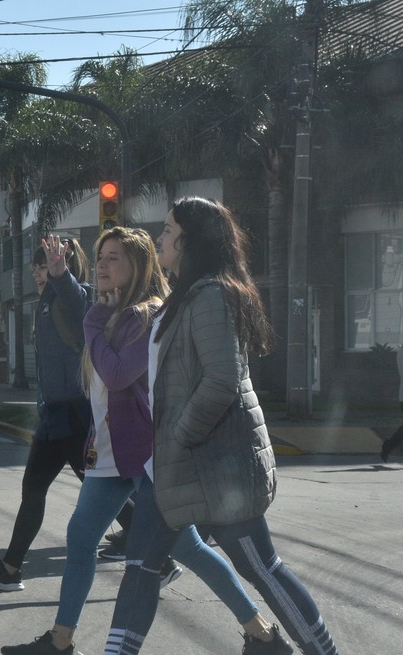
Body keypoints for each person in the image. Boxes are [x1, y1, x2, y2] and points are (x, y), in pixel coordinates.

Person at [2, 227, 281, 655]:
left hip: (148, 455)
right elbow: (81, 311)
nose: (102, 264)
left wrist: (93, 320)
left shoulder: (150, 315)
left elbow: (116, 374)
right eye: (100, 256)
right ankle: (60, 641)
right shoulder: (107, 310)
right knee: (81, 538)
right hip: (111, 452)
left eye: (113, 257)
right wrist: (60, 276)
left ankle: (261, 633)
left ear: (138, 265)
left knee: (189, 548)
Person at [101, 197, 339, 655]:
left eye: (168, 230)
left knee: (261, 567)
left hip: (215, 467)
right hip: (169, 467)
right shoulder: (184, 296)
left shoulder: (210, 295)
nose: (160, 238)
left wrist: (179, 435)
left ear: (189, 241)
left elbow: (222, 380)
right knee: (140, 566)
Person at [0, 236, 139, 591]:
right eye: (37, 266)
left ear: (66, 265)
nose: (37, 272)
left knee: (99, 489)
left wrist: (60, 274)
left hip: (75, 414)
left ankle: (160, 552)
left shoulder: (79, 296)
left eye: (43, 265)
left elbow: (76, 303)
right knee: (36, 488)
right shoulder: (45, 302)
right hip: (55, 415)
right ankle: (11, 568)